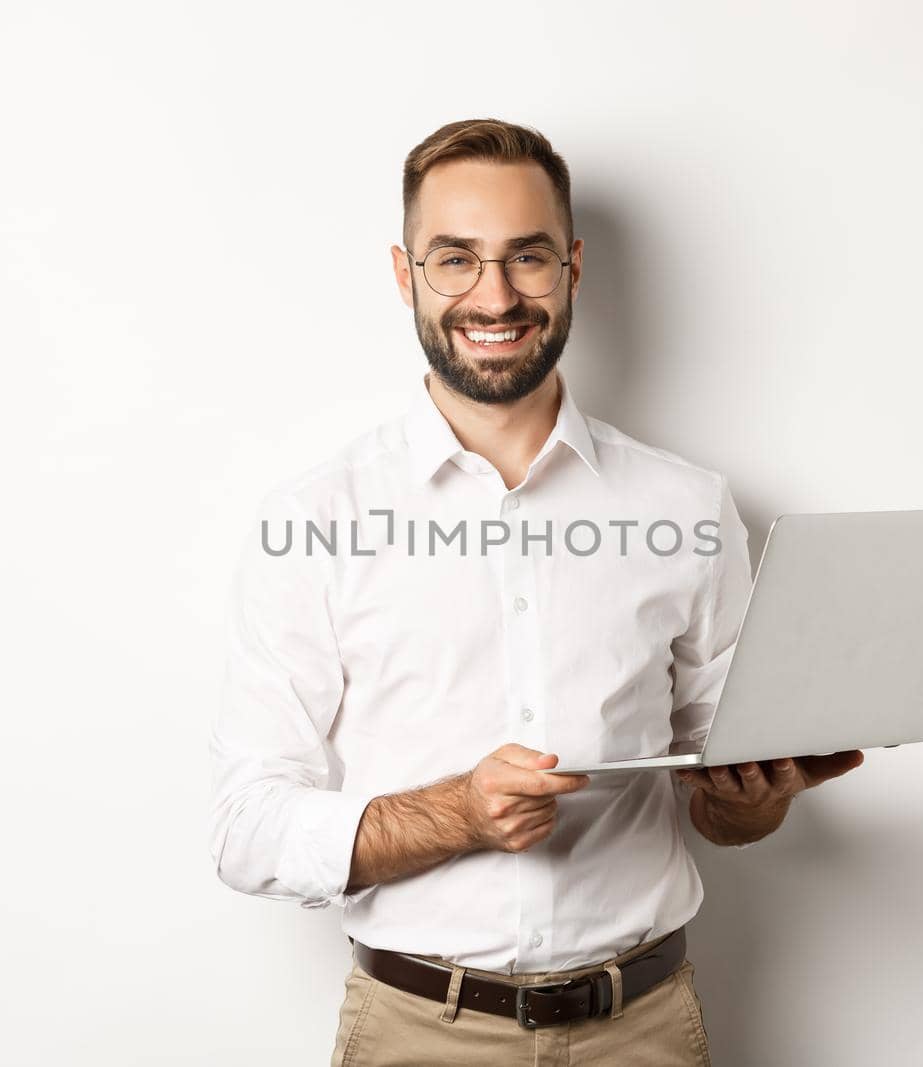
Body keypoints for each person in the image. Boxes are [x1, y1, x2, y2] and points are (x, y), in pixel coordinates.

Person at [208, 117, 865, 1066]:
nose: (495, 294)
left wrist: (756, 797)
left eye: (528, 256)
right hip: (417, 1034)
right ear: (405, 276)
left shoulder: (690, 505)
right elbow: (246, 827)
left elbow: (724, 805)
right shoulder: (316, 520)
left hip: (643, 1029)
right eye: (455, 259)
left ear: (573, 267)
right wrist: (459, 812)